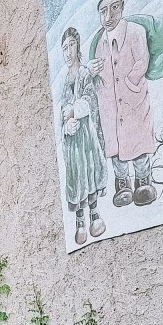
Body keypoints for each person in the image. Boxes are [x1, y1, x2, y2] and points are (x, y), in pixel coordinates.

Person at [88, 0, 157, 207]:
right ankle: (122, 184)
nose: (108, 16)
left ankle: (143, 180)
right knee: (115, 144)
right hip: (109, 103)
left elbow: (142, 59)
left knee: (137, 139)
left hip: (132, 99)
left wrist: (132, 81)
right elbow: (98, 70)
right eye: (103, 11)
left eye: (114, 8)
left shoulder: (135, 31)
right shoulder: (100, 41)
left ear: (122, 7)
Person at [59, 27, 107, 244]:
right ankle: (79, 222)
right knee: (76, 178)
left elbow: (90, 99)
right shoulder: (64, 81)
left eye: (71, 46)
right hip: (72, 143)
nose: (68, 52)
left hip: (86, 138)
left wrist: (74, 110)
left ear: (78, 47)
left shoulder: (85, 73)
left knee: (89, 173)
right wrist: (66, 125)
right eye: (64, 48)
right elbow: (61, 112)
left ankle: (95, 215)